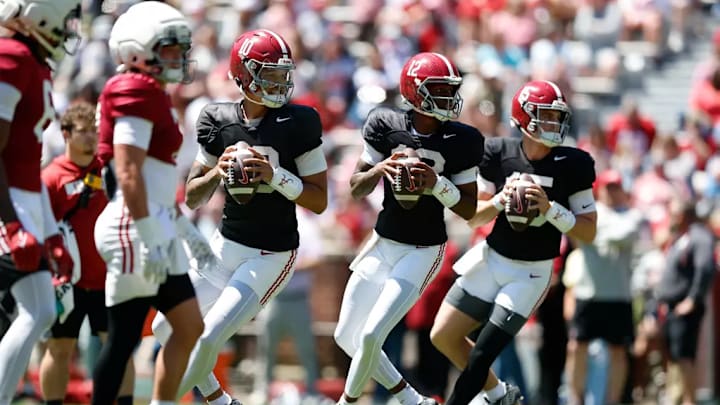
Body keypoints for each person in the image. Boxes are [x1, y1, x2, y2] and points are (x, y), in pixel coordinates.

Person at [151, 28, 328, 405]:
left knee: (209, 334)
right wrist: (219, 170)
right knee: (165, 327)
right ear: (243, 75)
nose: (281, 82)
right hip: (225, 244)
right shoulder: (217, 118)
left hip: (271, 255)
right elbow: (195, 197)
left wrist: (274, 175)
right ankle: (220, 400)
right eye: (271, 74)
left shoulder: (300, 122)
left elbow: (319, 200)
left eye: (284, 73)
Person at [431, 80, 598, 405]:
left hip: (531, 272)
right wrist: (498, 201)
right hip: (492, 258)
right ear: (522, 116)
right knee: (443, 335)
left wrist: (550, 209)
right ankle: (500, 394)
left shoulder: (574, 163)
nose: (553, 124)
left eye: (556, 117)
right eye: (545, 116)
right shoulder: (497, 152)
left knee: (481, 354)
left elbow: (588, 232)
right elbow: (474, 216)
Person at [332, 52, 483, 405]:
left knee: (370, 335)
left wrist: (436, 183)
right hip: (384, 242)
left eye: (450, 89)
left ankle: (348, 402)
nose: (448, 97)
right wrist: (379, 169)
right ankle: (413, 400)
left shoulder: (461, 140)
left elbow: (469, 207)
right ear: (415, 93)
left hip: (423, 248)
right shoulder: (385, 125)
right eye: (439, 89)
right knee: (345, 336)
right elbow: (355, 187)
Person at [92, 2, 205, 404]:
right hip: (134, 224)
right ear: (138, 49)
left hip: (153, 220)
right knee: (123, 337)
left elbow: (154, 180)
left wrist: (186, 232)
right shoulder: (133, 88)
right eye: (170, 48)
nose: (178, 57)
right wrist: (148, 234)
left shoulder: (151, 91)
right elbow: (128, 173)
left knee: (189, 325)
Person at [0, 1, 80, 404]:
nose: (69, 29)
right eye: (65, 19)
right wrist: (12, 223)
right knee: (35, 312)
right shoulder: (10, 56)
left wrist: (50, 233)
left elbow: (29, 163)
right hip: (8, 207)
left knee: (42, 312)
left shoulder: (32, 63)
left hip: (24, 204)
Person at [39, 102, 134, 404]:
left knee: (118, 347)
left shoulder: (109, 169)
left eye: (94, 131)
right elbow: (42, 227)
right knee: (60, 347)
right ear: (65, 134)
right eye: (82, 132)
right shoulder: (52, 177)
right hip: (69, 283)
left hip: (109, 278)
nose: (91, 138)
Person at [563, 169, 642, 405]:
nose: (612, 192)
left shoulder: (632, 215)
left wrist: (594, 233)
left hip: (619, 295)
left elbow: (624, 234)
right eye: (608, 187)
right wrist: (591, 232)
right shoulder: (593, 212)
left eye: (616, 187)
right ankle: (574, 399)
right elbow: (579, 233)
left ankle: (612, 400)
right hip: (589, 293)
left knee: (618, 351)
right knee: (577, 347)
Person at [655, 199, 716, 405]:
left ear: (682, 215)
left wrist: (692, 299)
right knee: (675, 357)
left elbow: (706, 268)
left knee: (684, 358)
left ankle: (690, 401)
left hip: (685, 309)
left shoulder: (699, 236)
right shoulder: (681, 237)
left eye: (672, 213)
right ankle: (677, 398)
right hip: (672, 308)